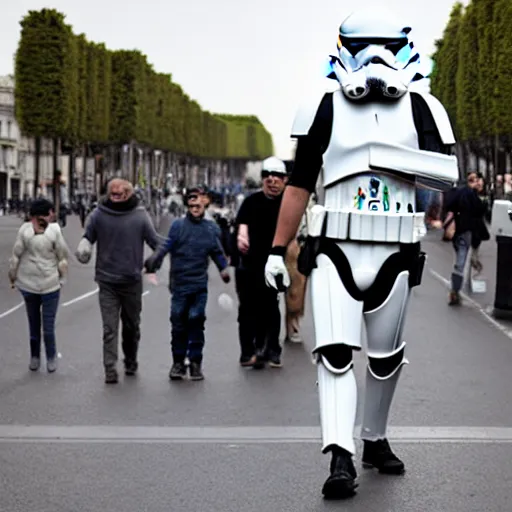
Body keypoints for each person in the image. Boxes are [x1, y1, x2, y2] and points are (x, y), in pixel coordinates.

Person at [263, 10, 458, 499]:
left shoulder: (423, 109)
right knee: (333, 355)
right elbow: (300, 183)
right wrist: (275, 249)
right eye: (364, 44)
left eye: (386, 46)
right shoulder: (322, 106)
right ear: (343, 47)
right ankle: (339, 457)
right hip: (336, 249)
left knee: (387, 358)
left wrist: (393, 160)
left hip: (396, 249)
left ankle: (373, 439)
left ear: (405, 50)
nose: (376, 57)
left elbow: (443, 176)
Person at [75, 178, 161, 384]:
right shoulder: (98, 214)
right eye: (111, 191)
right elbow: (88, 236)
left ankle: (130, 359)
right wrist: (84, 247)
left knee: (131, 326)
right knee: (109, 328)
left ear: (128, 194)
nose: (114, 193)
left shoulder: (140, 216)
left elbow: (156, 242)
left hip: (131, 281)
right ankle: (110, 367)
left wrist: (155, 259)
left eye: (119, 191)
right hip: (107, 280)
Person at [144, 187, 230, 381]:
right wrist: (154, 260)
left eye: (198, 205)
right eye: (191, 205)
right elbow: (167, 246)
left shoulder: (210, 229)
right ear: (187, 206)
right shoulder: (178, 226)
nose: (195, 208)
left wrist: (223, 268)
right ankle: (178, 362)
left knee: (196, 319)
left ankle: (196, 362)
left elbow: (216, 251)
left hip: (199, 284)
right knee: (178, 321)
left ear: (204, 205)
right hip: (180, 284)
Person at [235, 156, 288, 369]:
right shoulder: (250, 202)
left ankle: (272, 350)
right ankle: (248, 352)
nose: (272, 180)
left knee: (270, 309)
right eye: (267, 176)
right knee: (247, 310)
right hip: (249, 265)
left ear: (284, 180)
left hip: (274, 264)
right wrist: (241, 236)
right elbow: (241, 225)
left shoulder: (287, 205)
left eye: (277, 176)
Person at [8, 198, 69, 373]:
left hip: (28, 285)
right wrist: (62, 279)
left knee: (33, 325)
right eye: (51, 212)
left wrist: (13, 278)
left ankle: (35, 358)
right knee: (48, 326)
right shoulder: (55, 230)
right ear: (46, 214)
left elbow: (15, 257)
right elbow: (62, 257)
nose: (53, 215)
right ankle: (51, 358)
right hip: (50, 285)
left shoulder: (24, 230)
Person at [444, 171, 487, 305]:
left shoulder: (458, 192)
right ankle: (455, 291)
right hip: (467, 232)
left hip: (457, 231)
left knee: (460, 260)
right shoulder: (471, 194)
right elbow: (480, 210)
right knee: (462, 262)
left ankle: (457, 289)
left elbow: (449, 204)